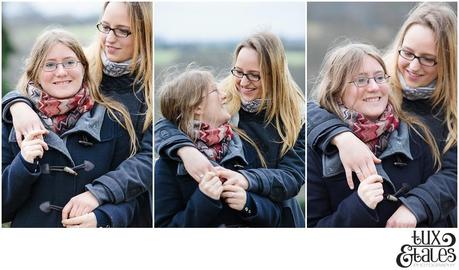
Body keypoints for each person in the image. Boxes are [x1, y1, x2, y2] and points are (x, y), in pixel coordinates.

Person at [2, 2, 153, 226]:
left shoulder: (121, 112)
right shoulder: (84, 62)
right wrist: (15, 104)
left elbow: (146, 163)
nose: (109, 39)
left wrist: (101, 204)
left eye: (123, 31)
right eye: (105, 27)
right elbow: (29, 86)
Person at [307, 2, 456, 227]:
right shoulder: (379, 76)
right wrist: (341, 137)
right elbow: (313, 107)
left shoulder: (441, 116)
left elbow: (453, 175)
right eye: (407, 53)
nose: (413, 67)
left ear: (448, 62)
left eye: (427, 58)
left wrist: (416, 206)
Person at [155, 32, 305, 227]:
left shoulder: (296, 117)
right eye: (238, 72)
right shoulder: (222, 99)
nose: (242, 83)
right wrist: (186, 150)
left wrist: (246, 181)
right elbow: (171, 119)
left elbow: (292, 178)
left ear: (274, 75)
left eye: (254, 76)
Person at [156, 69, 282, 227]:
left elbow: (278, 215)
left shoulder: (247, 145)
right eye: (215, 91)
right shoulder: (168, 165)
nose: (225, 95)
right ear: (197, 107)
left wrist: (249, 204)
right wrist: (203, 201)